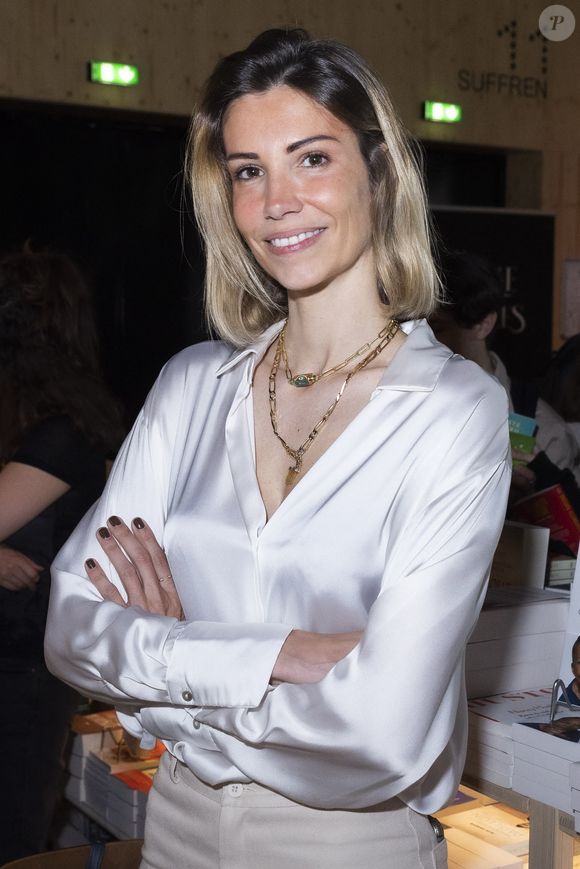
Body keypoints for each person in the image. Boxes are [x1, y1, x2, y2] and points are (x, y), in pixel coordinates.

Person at [45, 29, 511, 869]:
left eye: (312, 159)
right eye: (249, 170)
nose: (275, 201)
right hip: (177, 821)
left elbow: (384, 733)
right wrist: (282, 655)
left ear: (378, 169)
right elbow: (71, 628)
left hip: (347, 843)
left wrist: (165, 673)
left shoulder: (453, 410)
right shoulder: (193, 387)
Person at [0, 247, 123, 862]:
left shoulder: (61, 433)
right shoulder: (42, 424)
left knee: (14, 833)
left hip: (23, 671)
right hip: (18, 661)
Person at [430, 250, 580, 496]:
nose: (423, 342)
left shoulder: (543, 428)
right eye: (415, 329)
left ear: (484, 323)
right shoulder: (397, 402)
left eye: (437, 329)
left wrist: (525, 491)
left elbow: (565, 529)